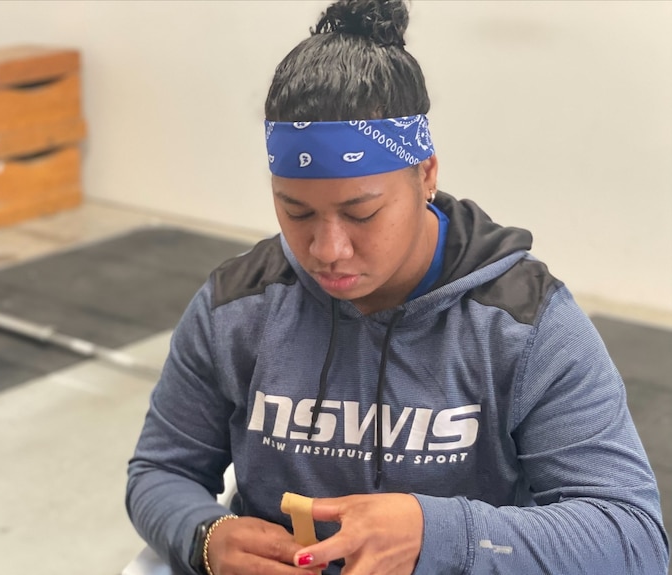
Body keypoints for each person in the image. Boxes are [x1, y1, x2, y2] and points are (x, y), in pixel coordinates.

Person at [126, 0, 670, 573]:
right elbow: (160, 471)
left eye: (361, 214)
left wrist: (438, 535)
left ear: (426, 174)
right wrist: (205, 535)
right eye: (297, 212)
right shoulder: (235, 308)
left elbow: (630, 539)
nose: (327, 249)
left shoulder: (524, 324)